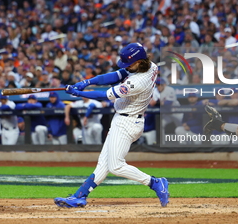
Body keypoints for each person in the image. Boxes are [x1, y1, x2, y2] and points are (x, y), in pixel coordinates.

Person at [54, 42, 169, 208]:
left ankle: (156, 183)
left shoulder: (137, 82)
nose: (126, 67)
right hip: (122, 119)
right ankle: (80, 196)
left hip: (127, 123)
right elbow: (116, 75)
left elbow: (104, 95)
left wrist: (79, 93)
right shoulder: (151, 66)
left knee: (116, 166)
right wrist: (87, 82)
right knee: (103, 164)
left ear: (138, 62)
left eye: (129, 64)